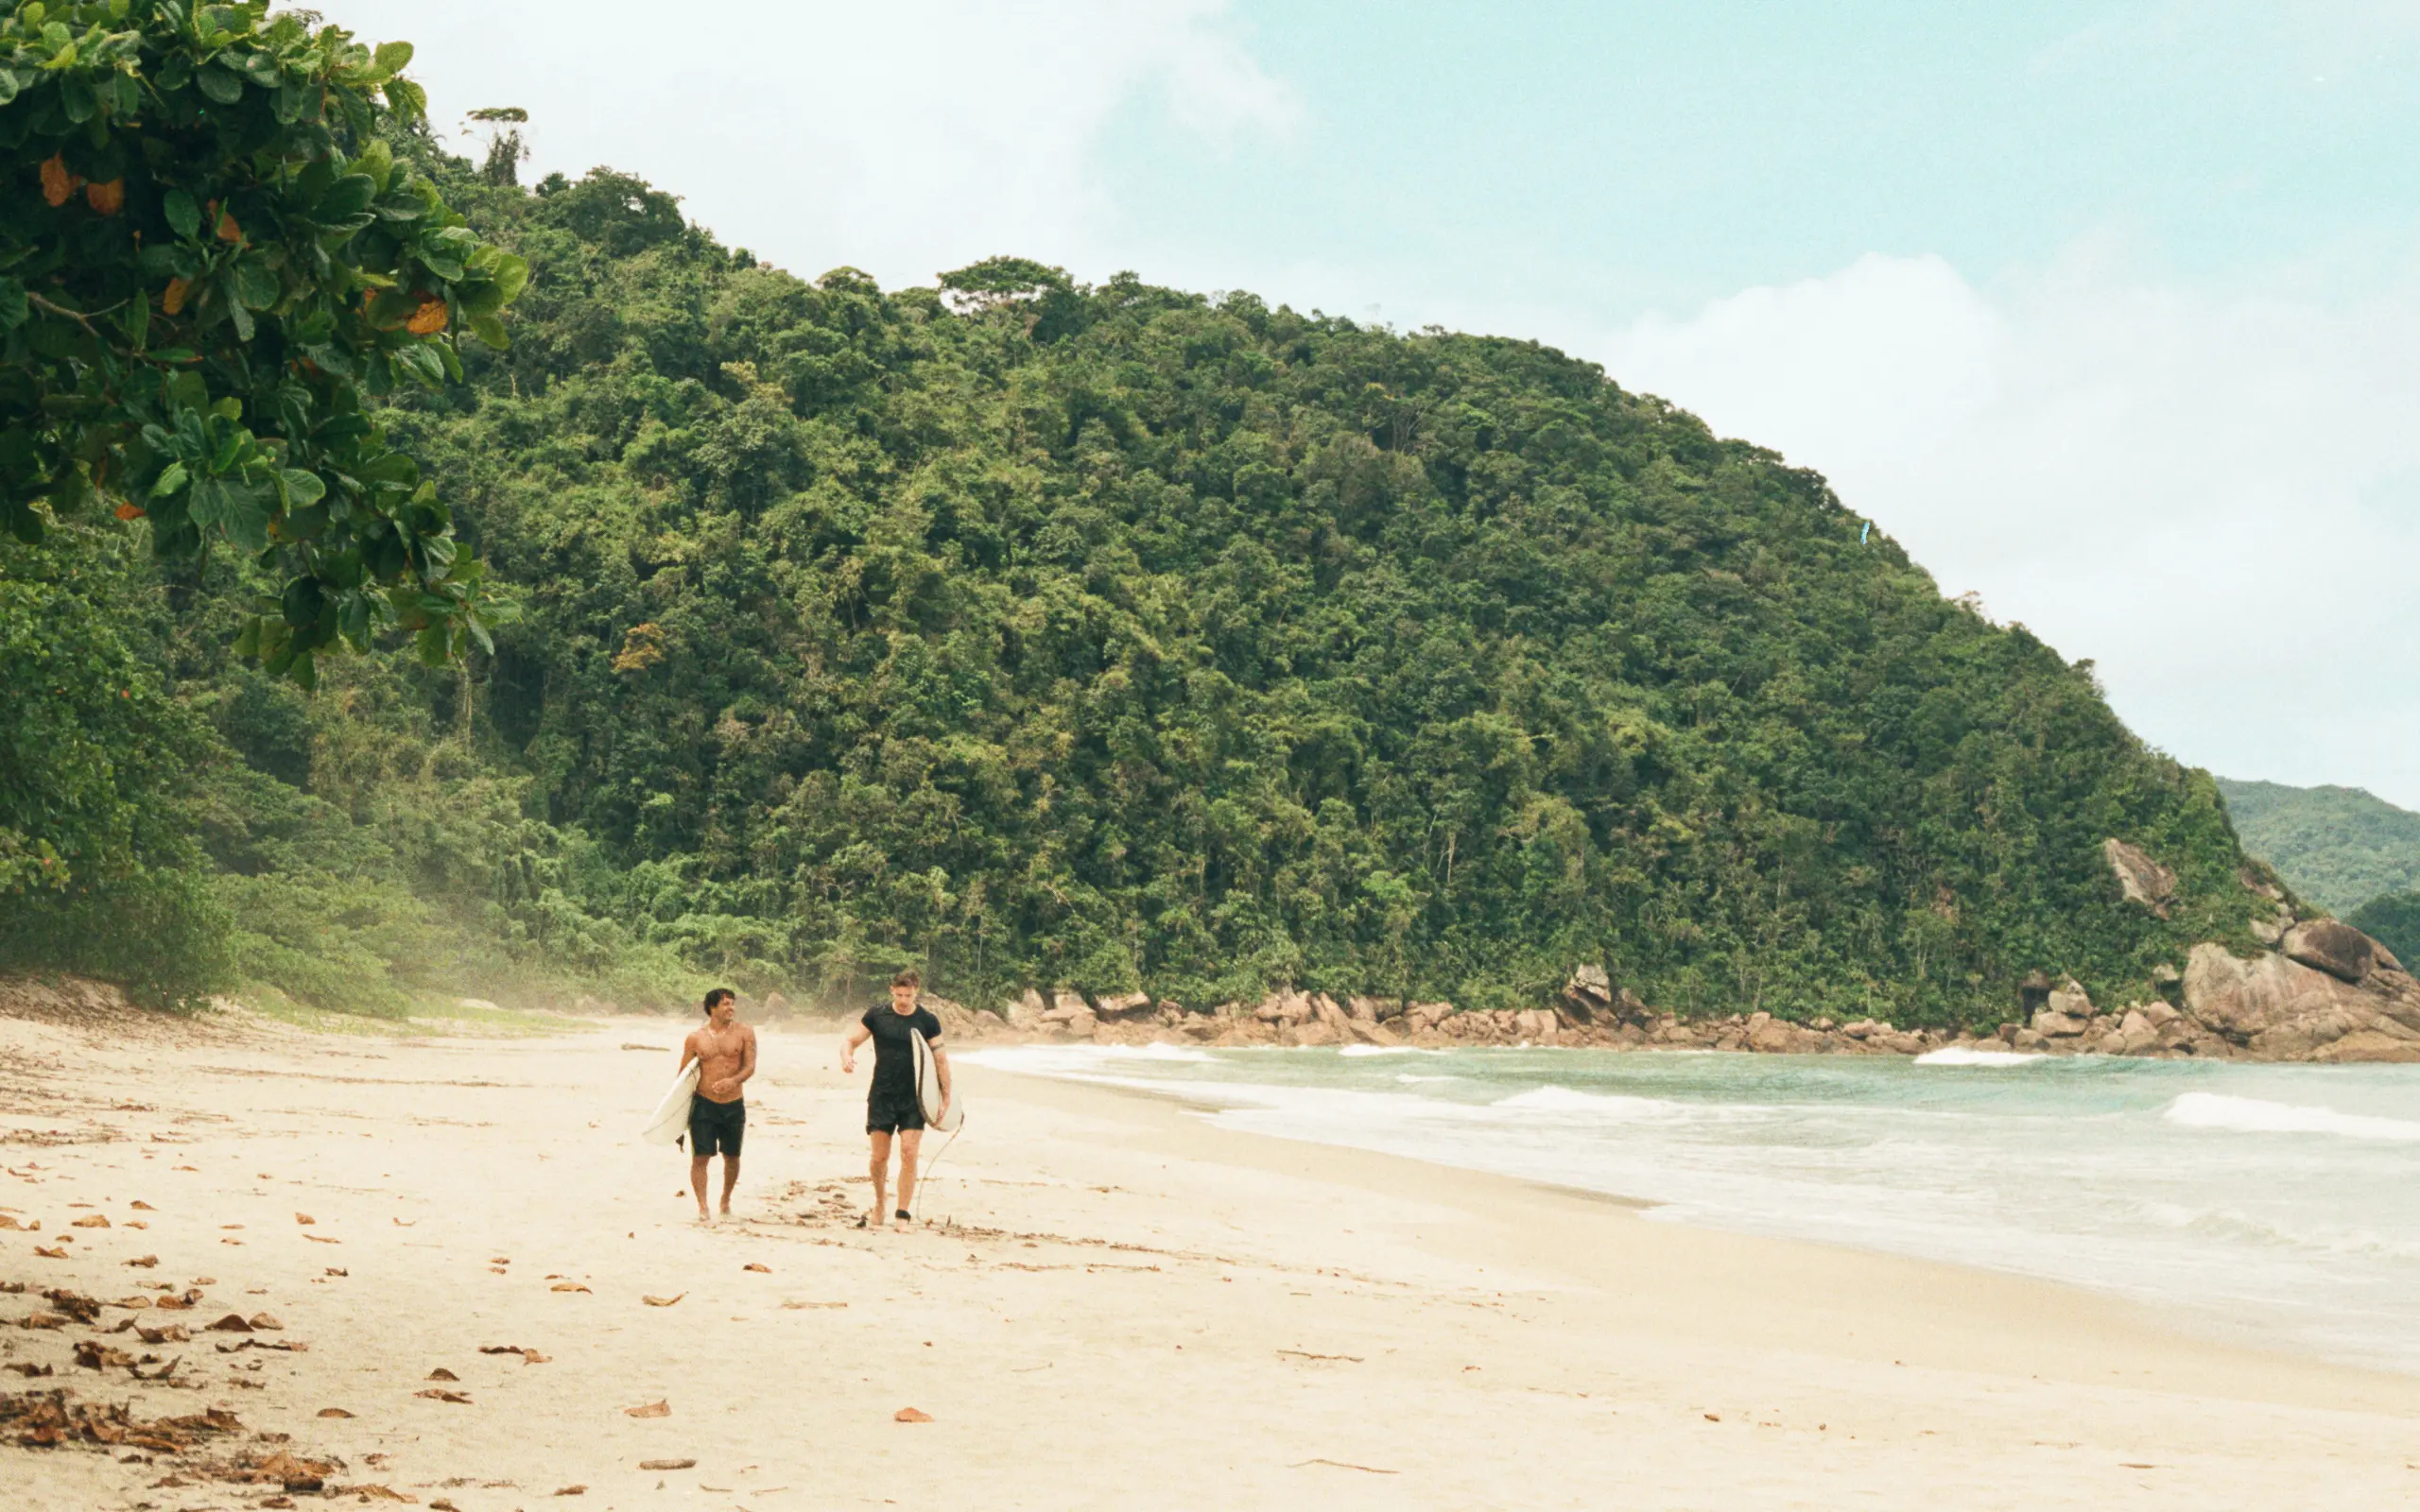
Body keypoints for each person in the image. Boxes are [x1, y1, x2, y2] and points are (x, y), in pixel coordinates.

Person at [839, 969, 950, 1228]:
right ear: (892, 990)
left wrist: (945, 1098)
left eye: (908, 995)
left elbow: (941, 1060)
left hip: (915, 1097)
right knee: (879, 1157)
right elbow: (851, 1041)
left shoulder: (927, 1020)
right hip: (882, 1094)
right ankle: (880, 1202)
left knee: (909, 1152)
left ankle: (902, 1212)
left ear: (916, 992)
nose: (903, 1000)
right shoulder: (877, 1015)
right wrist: (845, 1056)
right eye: (899, 994)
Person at [680, 988, 756, 1222]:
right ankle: (703, 1207)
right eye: (726, 1004)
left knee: (732, 1156)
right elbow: (682, 1075)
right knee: (700, 1157)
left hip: (733, 1103)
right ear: (712, 1008)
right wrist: (677, 1119)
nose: (731, 1008)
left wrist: (732, 1081)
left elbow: (749, 1067)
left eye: (732, 1004)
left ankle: (725, 1199)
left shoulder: (745, 1033)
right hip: (704, 1103)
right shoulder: (695, 1038)